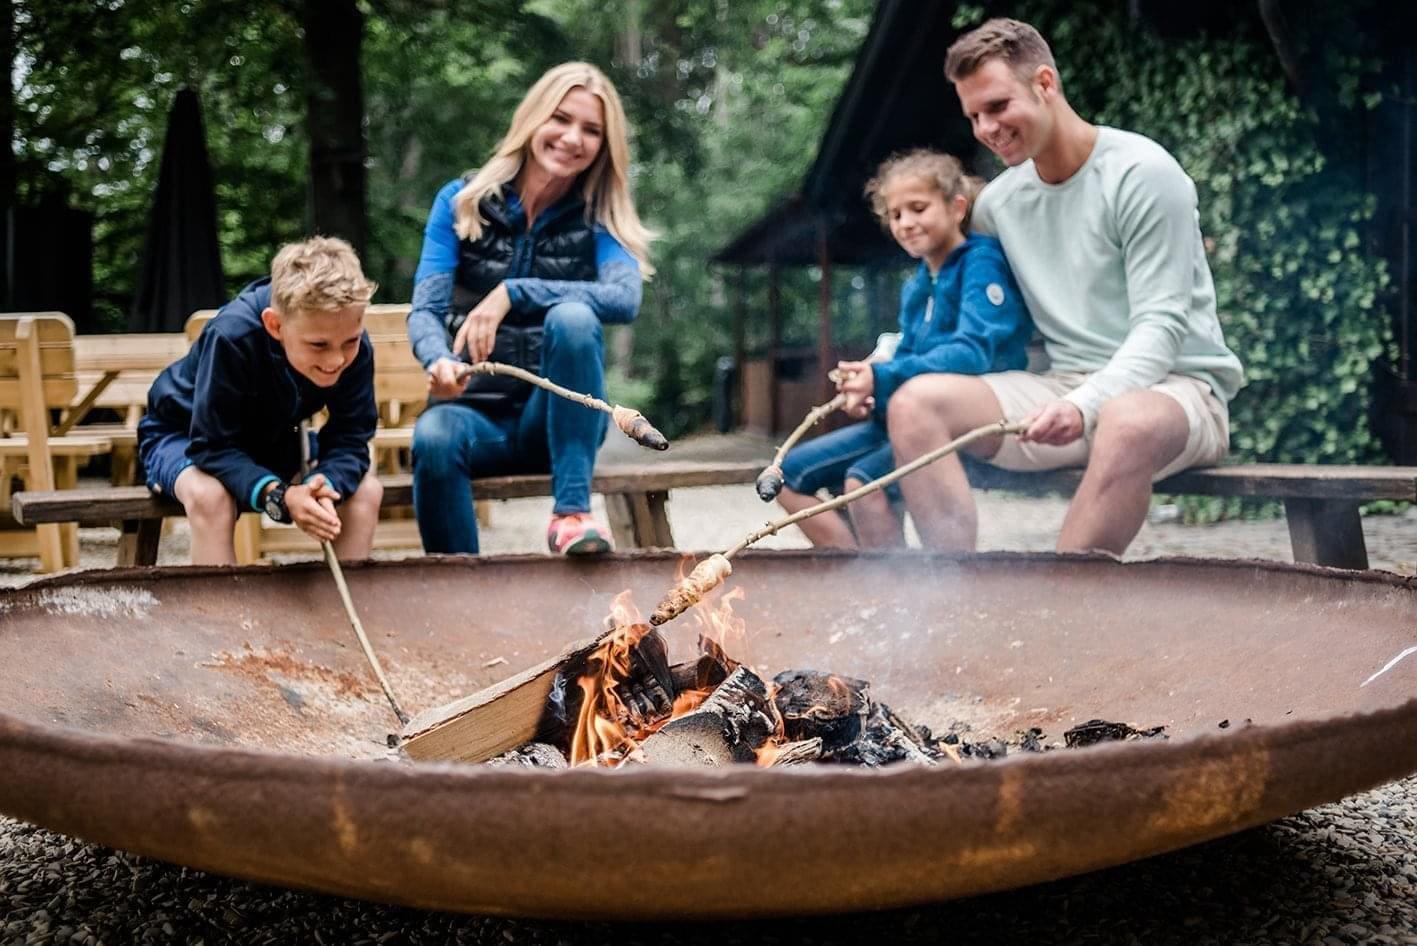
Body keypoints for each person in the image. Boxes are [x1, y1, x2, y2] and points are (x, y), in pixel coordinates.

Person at [887, 18, 1245, 555]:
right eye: (974, 116)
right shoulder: (998, 207)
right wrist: (882, 364)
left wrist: (1086, 404)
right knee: (915, 403)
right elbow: (959, 304)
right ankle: (952, 599)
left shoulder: (1142, 173)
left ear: (1046, 84)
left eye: (998, 106)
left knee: (1123, 421)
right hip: (1058, 388)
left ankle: (1058, 614)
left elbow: (1163, 327)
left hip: (1175, 391)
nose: (986, 128)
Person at [406, 61, 653, 556]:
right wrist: (439, 361)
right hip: (474, 417)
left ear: (604, 146)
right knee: (432, 436)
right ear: (533, 120)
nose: (571, 138)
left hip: (558, 424)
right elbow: (425, 310)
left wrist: (515, 291)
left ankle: (572, 516)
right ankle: (457, 599)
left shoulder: (598, 218)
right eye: (560, 119)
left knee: (574, 317)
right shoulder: (461, 203)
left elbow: (624, 299)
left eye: (590, 130)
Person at [776, 149, 1032, 548]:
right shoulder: (918, 284)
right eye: (896, 215)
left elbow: (972, 354)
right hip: (899, 417)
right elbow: (909, 358)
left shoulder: (980, 263)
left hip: (961, 418)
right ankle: (862, 577)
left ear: (956, 207)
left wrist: (882, 377)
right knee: (783, 477)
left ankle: (896, 591)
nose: (906, 223)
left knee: (863, 483)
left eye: (918, 208)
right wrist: (870, 393)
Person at [137, 236, 383, 565]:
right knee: (212, 498)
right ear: (274, 325)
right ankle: (221, 615)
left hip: (277, 439)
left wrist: (326, 480)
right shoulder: (232, 337)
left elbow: (352, 434)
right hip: (185, 437)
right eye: (319, 345)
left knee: (365, 492)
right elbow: (210, 445)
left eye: (350, 341)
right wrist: (278, 495)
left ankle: (341, 614)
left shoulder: (353, 343)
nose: (336, 359)